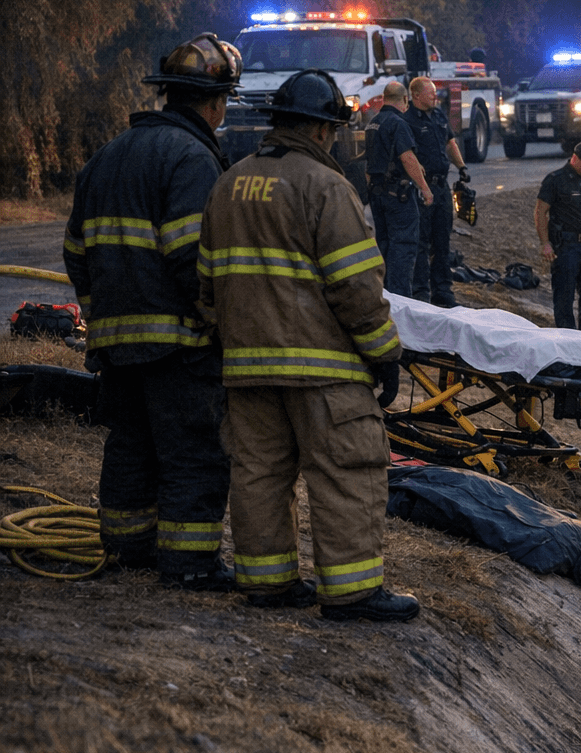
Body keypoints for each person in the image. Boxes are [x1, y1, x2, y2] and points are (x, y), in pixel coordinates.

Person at [199, 67, 419, 621]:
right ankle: (351, 593)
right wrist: (384, 354)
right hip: (325, 371)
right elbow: (356, 288)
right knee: (346, 471)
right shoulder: (326, 187)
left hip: (246, 369)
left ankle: (268, 583)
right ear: (324, 130)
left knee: (258, 473)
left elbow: (206, 286)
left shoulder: (228, 183)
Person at [63, 33, 241, 589]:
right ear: (214, 104)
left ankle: (127, 547)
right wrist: (213, 322)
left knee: (130, 443)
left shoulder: (107, 156)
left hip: (116, 343)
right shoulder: (192, 158)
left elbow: (75, 253)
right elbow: (193, 258)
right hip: (178, 343)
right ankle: (189, 564)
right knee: (193, 449)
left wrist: (101, 319)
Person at [402, 76, 468, 307]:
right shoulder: (407, 120)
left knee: (442, 241)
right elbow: (407, 155)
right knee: (422, 241)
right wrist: (421, 186)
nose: (435, 97)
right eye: (430, 93)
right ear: (416, 95)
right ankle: (421, 291)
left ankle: (443, 291)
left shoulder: (439, 115)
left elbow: (450, 142)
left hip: (442, 187)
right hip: (423, 188)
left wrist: (461, 167)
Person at [364, 80, 433, 295]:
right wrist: (425, 188)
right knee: (403, 247)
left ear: (384, 98)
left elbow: (369, 163)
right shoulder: (398, 123)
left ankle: (383, 297)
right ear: (404, 100)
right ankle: (401, 301)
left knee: (383, 245)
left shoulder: (373, 124)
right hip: (398, 197)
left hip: (378, 195)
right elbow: (407, 157)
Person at [535, 141, 581, 336]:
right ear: (575, 158)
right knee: (564, 297)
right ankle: (568, 340)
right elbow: (540, 212)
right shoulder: (555, 180)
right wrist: (545, 243)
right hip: (565, 246)